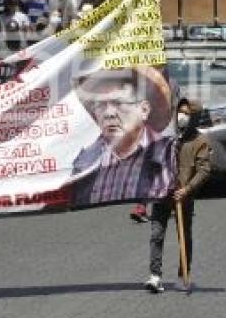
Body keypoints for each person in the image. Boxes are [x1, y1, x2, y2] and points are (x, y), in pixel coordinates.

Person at [71, 67, 175, 207]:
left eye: (118, 103)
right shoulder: (85, 161)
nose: (109, 113)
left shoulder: (168, 154)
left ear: (144, 110)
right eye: (100, 105)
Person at [146, 99, 212, 293]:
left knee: (184, 236)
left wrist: (187, 189)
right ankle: (154, 275)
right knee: (156, 234)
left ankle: (183, 274)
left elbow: (204, 170)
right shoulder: (167, 135)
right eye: (179, 112)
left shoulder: (200, 141)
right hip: (162, 193)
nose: (181, 116)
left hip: (183, 197)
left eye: (186, 113)